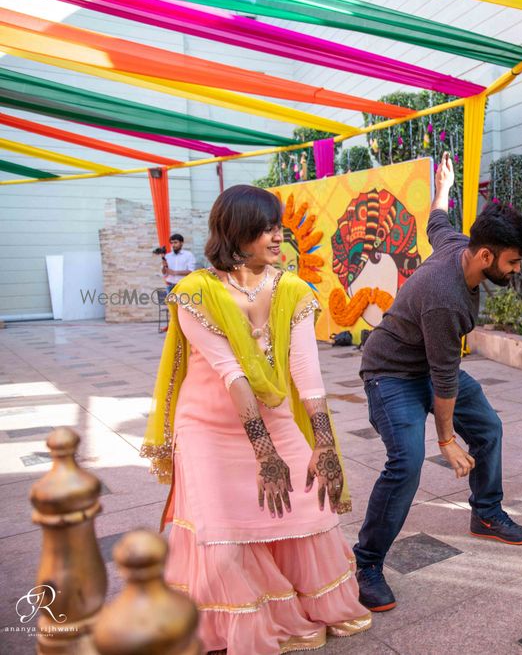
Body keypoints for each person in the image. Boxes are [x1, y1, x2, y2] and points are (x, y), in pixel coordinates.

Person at [140, 185, 371, 654]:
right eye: (265, 228)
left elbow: (307, 374)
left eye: (278, 227)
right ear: (236, 233)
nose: (276, 236)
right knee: (224, 528)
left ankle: (308, 605)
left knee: (309, 505)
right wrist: (265, 455)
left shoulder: (291, 290)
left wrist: (323, 444)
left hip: (276, 413)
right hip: (206, 424)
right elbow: (232, 376)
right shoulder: (195, 293)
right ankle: (247, 618)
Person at [354, 153, 522, 612]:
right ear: (485, 255)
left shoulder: (457, 243)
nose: (516, 271)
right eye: (512, 263)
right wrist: (446, 438)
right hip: (390, 373)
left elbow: (436, 218)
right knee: (407, 460)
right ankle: (368, 563)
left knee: (490, 428)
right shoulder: (445, 298)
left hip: (425, 366)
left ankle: (486, 513)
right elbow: (443, 376)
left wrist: (444, 185)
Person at [159, 233, 196, 332]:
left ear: (181, 243)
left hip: (183, 286)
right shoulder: (167, 256)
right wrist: (164, 266)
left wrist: (175, 272)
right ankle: (174, 330)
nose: (173, 245)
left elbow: (191, 271)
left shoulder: (188, 255)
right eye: (172, 243)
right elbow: (164, 273)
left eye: (175, 242)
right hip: (170, 286)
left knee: (184, 309)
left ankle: (185, 329)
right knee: (172, 309)